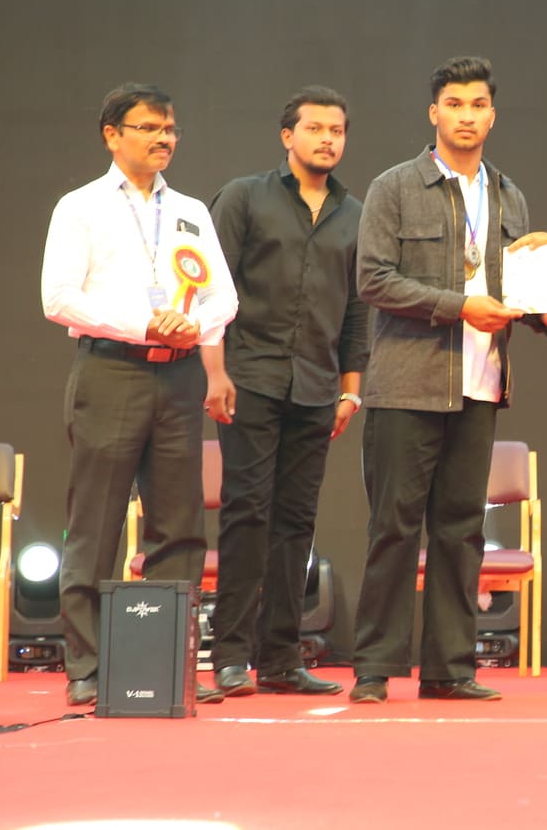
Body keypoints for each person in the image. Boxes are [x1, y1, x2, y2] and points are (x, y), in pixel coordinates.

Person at [347, 56, 547, 704]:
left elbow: (517, 288)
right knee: (394, 527)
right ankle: (374, 668)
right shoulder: (394, 187)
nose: (467, 116)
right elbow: (373, 280)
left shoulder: (509, 195)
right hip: (406, 384)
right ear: (434, 113)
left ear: (492, 116)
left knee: (462, 529)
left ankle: (449, 668)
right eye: (455, 104)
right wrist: (458, 305)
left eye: (478, 105)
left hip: (481, 383)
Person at [41, 83, 238, 706]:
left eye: (170, 129)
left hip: (179, 375)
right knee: (95, 522)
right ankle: (88, 666)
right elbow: (59, 298)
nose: (163, 139)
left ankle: (170, 663)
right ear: (112, 134)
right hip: (111, 371)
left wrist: (191, 325)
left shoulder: (190, 210)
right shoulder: (80, 206)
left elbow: (224, 296)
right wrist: (143, 325)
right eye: (149, 128)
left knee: (180, 526)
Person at [202, 86, 368, 698]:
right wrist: (215, 372)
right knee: (247, 512)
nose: (327, 139)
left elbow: (357, 309)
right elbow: (211, 290)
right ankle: (229, 657)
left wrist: (350, 391)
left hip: (318, 387)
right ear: (287, 136)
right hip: (249, 377)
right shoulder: (245, 196)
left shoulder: (355, 213)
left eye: (337, 130)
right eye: (315, 128)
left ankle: (280, 659)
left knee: (297, 521)